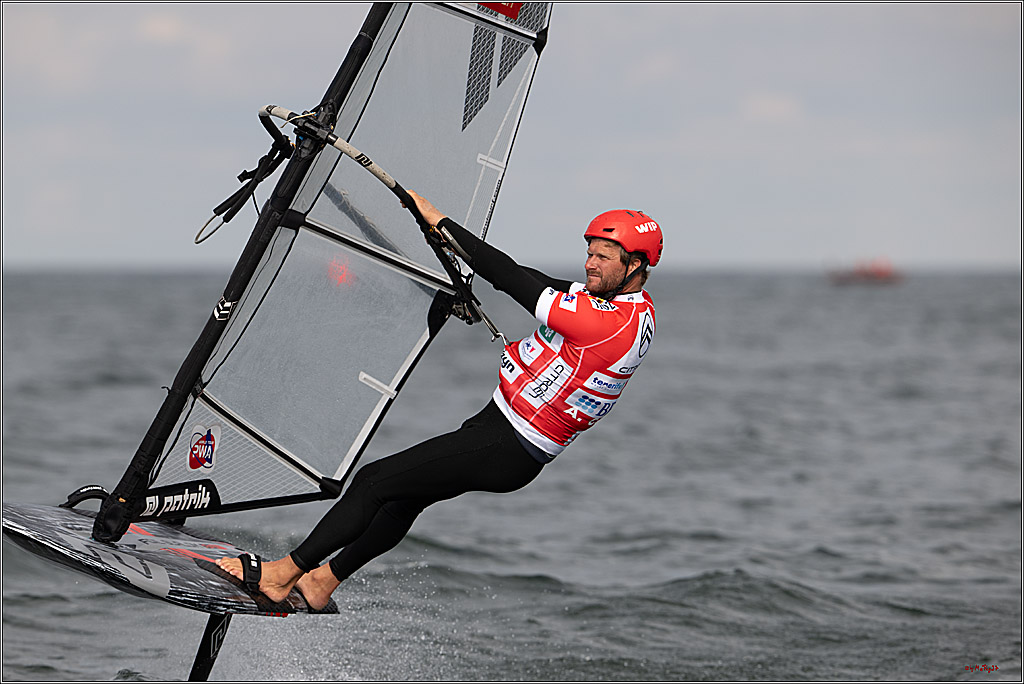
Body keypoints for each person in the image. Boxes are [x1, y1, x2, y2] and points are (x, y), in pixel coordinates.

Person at [216, 191, 662, 609]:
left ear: (636, 265)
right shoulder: (635, 311)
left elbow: (508, 279)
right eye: (589, 252)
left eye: (603, 257)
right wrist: (450, 243)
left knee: (374, 481)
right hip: (503, 433)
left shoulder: (602, 322)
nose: (590, 264)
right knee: (403, 499)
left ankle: (282, 574)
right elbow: (525, 275)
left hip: (509, 443)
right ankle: (321, 582)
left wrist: (438, 218)